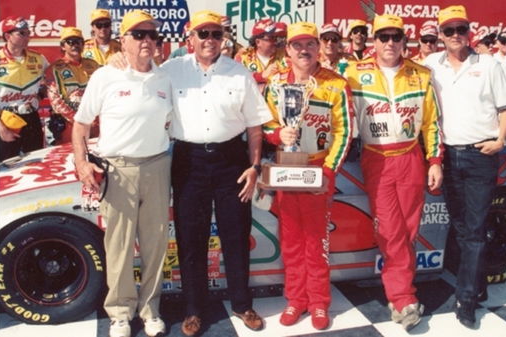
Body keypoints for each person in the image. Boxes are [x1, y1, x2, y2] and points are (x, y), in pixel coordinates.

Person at [162, 10, 272, 336]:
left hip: (231, 160)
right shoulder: (170, 71)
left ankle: (242, 303)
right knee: (190, 239)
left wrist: (253, 167)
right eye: (203, 34)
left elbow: (255, 128)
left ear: (224, 38)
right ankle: (194, 309)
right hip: (188, 160)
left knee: (236, 236)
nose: (210, 40)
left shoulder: (239, 74)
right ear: (190, 38)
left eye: (215, 34)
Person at [71, 10, 172, 337]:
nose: (146, 41)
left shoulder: (166, 76)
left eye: (152, 35)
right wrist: (81, 161)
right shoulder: (105, 75)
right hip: (118, 169)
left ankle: (151, 309)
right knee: (119, 246)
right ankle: (119, 313)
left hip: (158, 166)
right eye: (138, 35)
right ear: (123, 40)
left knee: (156, 245)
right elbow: (81, 124)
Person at [344, 14, 443, 332]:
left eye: (395, 37)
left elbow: (432, 123)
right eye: (383, 37)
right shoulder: (353, 72)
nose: (389, 43)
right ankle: (403, 298)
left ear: (404, 41)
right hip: (376, 159)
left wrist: (436, 160)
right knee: (390, 231)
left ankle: (401, 290)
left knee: (409, 231)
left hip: (411, 157)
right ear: (373, 41)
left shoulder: (422, 74)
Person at [424, 5, 506, 329]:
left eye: (461, 29)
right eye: (449, 31)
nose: (455, 36)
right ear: (441, 35)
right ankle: (478, 285)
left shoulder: (488, 64)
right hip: (448, 155)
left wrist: (501, 140)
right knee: (462, 229)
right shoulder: (431, 64)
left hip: (480, 155)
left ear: (469, 31)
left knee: (474, 230)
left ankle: (465, 299)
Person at [263, 21, 354, 330]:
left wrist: (329, 170)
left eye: (310, 44)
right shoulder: (275, 82)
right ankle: (295, 299)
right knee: (290, 239)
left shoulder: (336, 84)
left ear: (318, 48)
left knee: (316, 240)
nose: (304, 50)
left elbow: (345, 132)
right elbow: (262, 123)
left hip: (318, 169)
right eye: (297, 45)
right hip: (288, 167)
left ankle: (318, 302)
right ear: (287, 49)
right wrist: (277, 134)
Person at [0, 16, 49, 162]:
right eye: (22, 33)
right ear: (8, 36)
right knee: (6, 166)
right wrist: (0, 128)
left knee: (36, 162)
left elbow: (51, 82)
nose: (28, 37)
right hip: (5, 120)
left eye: (28, 32)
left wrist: (39, 97)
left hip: (31, 118)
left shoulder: (39, 59)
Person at [45, 26, 100, 145]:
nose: (75, 45)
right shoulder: (54, 69)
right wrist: (78, 120)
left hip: (94, 122)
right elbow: (55, 101)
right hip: (69, 124)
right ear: (63, 46)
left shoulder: (93, 65)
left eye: (78, 41)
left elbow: (103, 92)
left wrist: (96, 118)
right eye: (70, 42)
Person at [235, 18, 289, 88]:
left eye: (276, 37)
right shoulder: (243, 56)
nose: (275, 41)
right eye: (272, 38)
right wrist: (261, 76)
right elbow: (236, 79)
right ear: (258, 42)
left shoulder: (285, 54)